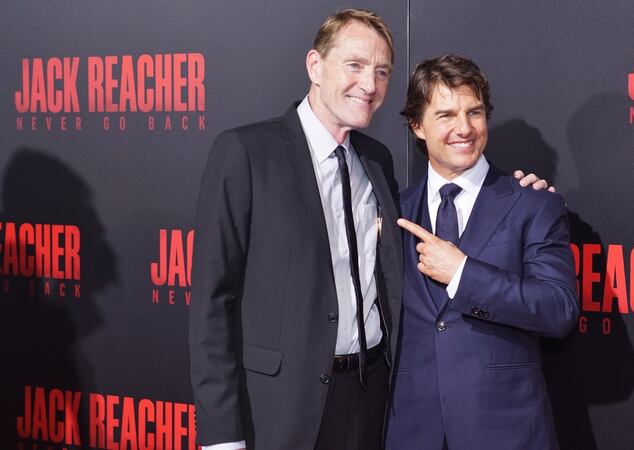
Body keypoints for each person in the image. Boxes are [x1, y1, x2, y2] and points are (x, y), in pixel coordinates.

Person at [189, 9, 551, 450]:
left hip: (371, 401)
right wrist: (222, 438)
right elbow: (211, 303)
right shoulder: (247, 152)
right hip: (281, 407)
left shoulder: (377, 162)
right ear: (314, 66)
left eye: (382, 71)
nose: (369, 83)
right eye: (355, 65)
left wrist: (518, 196)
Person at [386, 55, 578, 450]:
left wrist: (463, 273)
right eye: (446, 115)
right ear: (417, 126)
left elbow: (559, 309)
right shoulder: (393, 211)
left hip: (506, 433)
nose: (464, 128)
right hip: (411, 432)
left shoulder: (532, 204)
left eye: (474, 112)